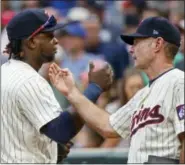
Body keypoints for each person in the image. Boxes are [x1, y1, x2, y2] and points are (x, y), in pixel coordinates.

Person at [49, 16, 184, 163]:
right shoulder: (144, 93)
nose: (131, 49)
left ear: (158, 44)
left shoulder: (178, 82)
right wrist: (72, 93)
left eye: (137, 43)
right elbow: (108, 126)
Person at [1, 9, 113, 163]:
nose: (56, 41)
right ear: (32, 42)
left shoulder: (4, 72)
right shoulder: (29, 80)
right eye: (49, 36)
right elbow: (61, 131)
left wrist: (52, 149)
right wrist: (94, 88)